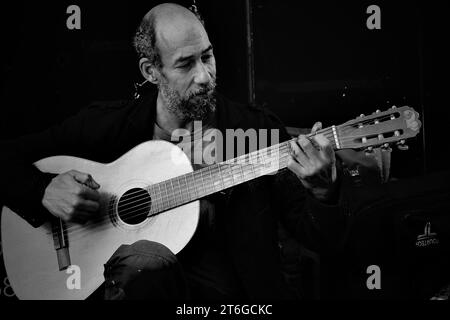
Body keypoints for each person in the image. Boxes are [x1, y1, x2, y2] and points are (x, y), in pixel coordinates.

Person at [0, 3, 346, 300]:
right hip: (118, 289)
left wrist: (322, 190)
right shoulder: (103, 127)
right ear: (151, 71)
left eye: (208, 57)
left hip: (233, 301)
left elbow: (319, 238)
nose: (204, 76)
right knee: (144, 261)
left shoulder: (256, 131)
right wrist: (43, 189)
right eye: (185, 64)